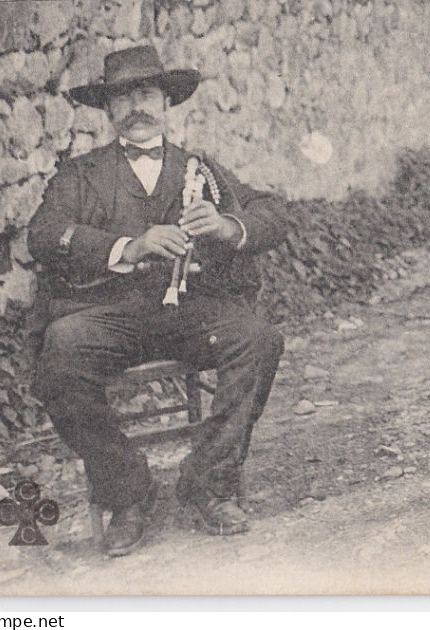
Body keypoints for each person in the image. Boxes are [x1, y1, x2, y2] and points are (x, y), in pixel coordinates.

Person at [27, 44, 289, 556]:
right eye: (122, 99)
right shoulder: (81, 175)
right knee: (58, 359)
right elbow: (43, 234)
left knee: (259, 341)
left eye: (145, 94)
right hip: (111, 315)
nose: (136, 108)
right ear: (108, 111)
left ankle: (207, 484)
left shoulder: (201, 168)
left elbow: (272, 214)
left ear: (165, 102)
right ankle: (128, 492)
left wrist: (226, 225)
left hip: (191, 311)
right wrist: (129, 246)